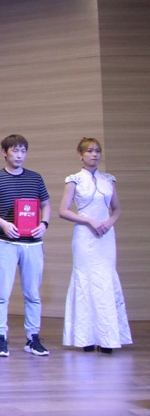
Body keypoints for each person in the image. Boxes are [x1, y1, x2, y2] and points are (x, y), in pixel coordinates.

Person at [0, 134, 52, 358]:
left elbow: (46, 204)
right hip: (5, 242)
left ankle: (33, 338)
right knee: (2, 294)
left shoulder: (35, 178)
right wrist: (3, 223)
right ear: (5, 152)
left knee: (33, 294)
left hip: (32, 243)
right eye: (15, 150)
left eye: (23, 151)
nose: (19, 155)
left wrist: (44, 224)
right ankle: (1, 337)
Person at [59, 137, 131, 353]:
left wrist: (108, 223)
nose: (94, 154)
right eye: (90, 151)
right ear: (80, 155)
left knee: (105, 280)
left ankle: (108, 338)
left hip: (106, 236)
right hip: (85, 235)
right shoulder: (74, 180)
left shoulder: (108, 179)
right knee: (86, 280)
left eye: (97, 151)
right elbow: (63, 210)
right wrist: (89, 221)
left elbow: (117, 209)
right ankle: (86, 337)